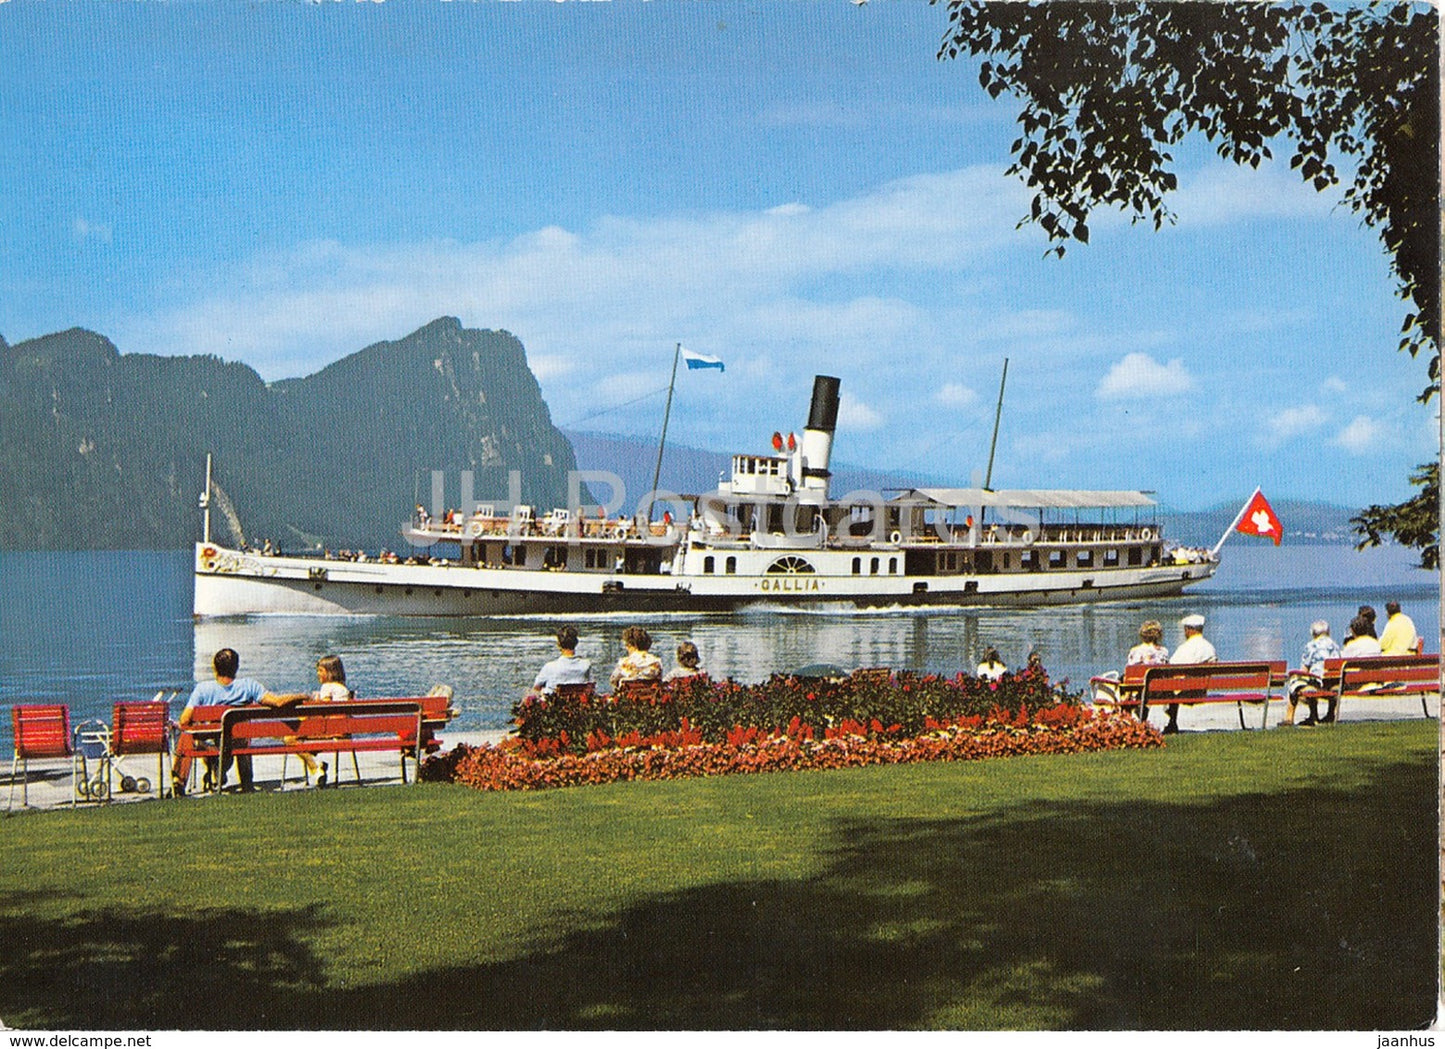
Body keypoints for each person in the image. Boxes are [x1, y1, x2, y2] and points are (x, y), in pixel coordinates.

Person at [174, 648, 308, 795]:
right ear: (236, 667)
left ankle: (180, 781)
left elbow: (184, 720)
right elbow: (277, 702)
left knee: (188, 735)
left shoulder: (203, 689)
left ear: (214, 668)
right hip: (238, 742)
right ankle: (244, 782)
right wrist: (302, 696)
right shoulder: (249, 686)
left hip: (213, 743)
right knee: (242, 736)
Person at [290, 654, 352, 788]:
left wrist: (314, 701)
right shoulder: (343, 689)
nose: (318, 674)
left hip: (331, 732)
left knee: (290, 739)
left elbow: (323, 711)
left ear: (330, 673)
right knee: (296, 735)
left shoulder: (327, 687)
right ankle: (318, 765)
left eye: (320, 671)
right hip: (344, 733)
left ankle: (316, 767)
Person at [1158, 613, 1217, 734]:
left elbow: (1171, 668)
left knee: (1168, 684)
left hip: (1187, 691)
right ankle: (1172, 723)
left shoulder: (1185, 648)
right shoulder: (1210, 648)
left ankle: (1172, 723)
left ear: (1188, 630)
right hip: (1202, 690)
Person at [1282, 620, 1342, 727]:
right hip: (1334, 685)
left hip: (1317, 685)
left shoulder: (1311, 646)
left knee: (1296, 682)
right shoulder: (1335, 646)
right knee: (1322, 681)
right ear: (1328, 632)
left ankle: (1290, 718)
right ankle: (1330, 714)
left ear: (1313, 634)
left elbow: (1304, 671)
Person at [531, 625, 593, 695]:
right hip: (578, 703)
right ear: (576, 643)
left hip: (555, 703)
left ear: (558, 644)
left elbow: (536, 687)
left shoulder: (550, 667)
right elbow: (591, 686)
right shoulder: (586, 665)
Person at [609, 625, 662, 690]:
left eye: (626, 645)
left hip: (628, 696)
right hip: (651, 696)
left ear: (631, 645)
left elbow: (613, 680)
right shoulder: (656, 662)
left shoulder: (624, 662)